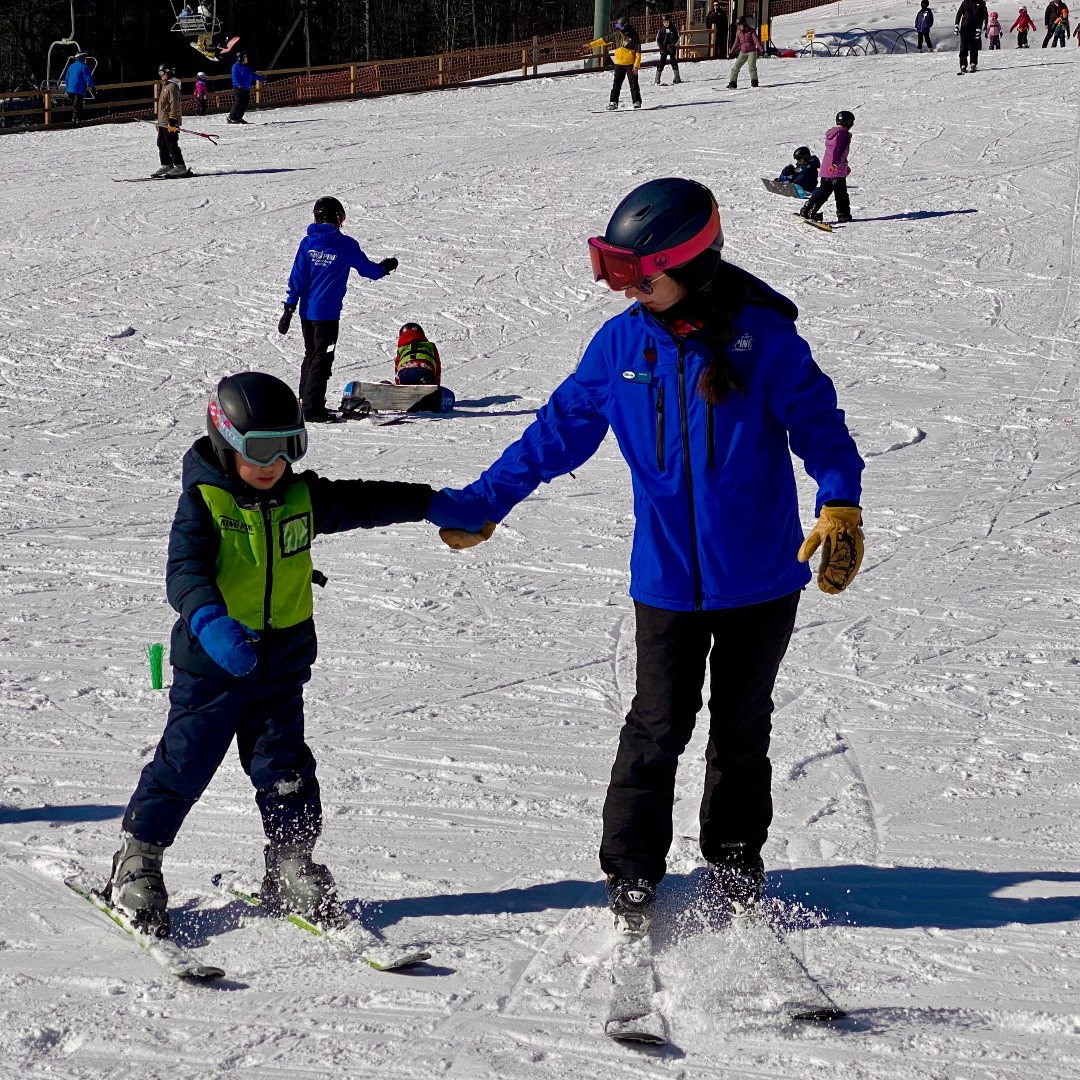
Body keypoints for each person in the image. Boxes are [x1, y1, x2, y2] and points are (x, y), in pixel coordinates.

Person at [430, 177, 863, 933]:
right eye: (616, 273)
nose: (624, 290)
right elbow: (555, 434)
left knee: (741, 725)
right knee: (658, 724)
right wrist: (486, 502)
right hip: (665, 580)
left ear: (691, 264)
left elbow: (819, 426)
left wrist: (840, 499)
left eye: (638, 275)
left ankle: (733, 860)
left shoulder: (763, 338)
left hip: (761, 579)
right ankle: (632, 870)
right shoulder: (621, 345)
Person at [102, 371, 483, 937]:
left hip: (280, 665)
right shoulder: (204, 503)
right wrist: (208, 620)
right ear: (225, 441)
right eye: (260, 450)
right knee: (184, 763)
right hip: (213, 667)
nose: (274, 464)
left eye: (289, 448)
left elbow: (364, 499)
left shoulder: (301, 496)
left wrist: (430, 504)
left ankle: (289, 862)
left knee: (285, 768)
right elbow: (183, 572)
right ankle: (139, 858)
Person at [279, 196, 399, 423]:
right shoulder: (345, 245)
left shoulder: (308, 244)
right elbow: (369, 271)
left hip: (306, 314)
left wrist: (289, 309)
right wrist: (386, 267)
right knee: (322, 360)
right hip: (327, 317)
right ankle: (312, 410)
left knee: (311, 356)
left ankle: (306, 402)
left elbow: (298, 277)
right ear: (337, 218)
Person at [800, 111, 854, 224]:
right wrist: (835, 163)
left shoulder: (832, 134)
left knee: (823, 192)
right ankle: (843, 215)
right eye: (851, 122)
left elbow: (835, 150)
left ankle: (809, 210)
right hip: (836, 169)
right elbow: (838, 150)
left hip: (827, 167)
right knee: (841, 195)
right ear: (848, 122)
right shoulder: (843, 133)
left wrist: (844, 164)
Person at [588, 20, 643, 111]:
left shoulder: (634, 36)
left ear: (625, 25)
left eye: (619, 26)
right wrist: (590, 45)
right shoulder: (617, 35)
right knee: (616, 84)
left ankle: (636, 101)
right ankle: (613, 102)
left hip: (630, 64)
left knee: (633, 84)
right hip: (619, 63)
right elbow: (603, 40)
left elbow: (638, 52)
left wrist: (636, 65)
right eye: (616, 26)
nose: (617, 28)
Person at [152, 64, 190, 179]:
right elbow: (163, 106)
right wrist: (159, 122)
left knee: (171, 144)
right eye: (159, 73)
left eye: (162, 73)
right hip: (163, 121)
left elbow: (175, 105)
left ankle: (180, 166)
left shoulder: (173, 87)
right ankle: (167, 164)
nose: (160, 75)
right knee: (161, 144)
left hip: (170, 121)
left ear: (168, 72)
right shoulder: (165, 86)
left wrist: (173, 120)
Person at [227, 52, 264, 124]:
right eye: (245, 57)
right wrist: (238, 85)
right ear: (241, 59)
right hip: (238, 88)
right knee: (238, 102)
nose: (247, 59)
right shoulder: (235, 66)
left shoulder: (246, 67)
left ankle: (239, 117)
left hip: (246, 88)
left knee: (244, 103)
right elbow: (235, 77)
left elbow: (252, 75)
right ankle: (231, 118)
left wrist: (261, 78)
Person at [727, 17, 763, 89]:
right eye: (738, 25)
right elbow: (736, 43)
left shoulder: (751, 31)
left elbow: (756, 40)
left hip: (751, 52)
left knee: (751, 67)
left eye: (740, 25)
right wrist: (731, 52)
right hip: (743, 52)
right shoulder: (738, 32)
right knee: (735, 67)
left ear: (744, 24)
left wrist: (762, 50)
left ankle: (754, 81)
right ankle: (733, 83)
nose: (739, 27)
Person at [955, 0, 989, 71]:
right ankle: (963, 64)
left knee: (973, 47)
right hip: (965, 28)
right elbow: (959, 13)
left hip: (975, 29)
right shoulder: (966, 2)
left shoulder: (982, 4)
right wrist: (956, 24)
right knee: (963, 46)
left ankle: (973, 63)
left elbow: (985, 16)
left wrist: (982, 28)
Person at [64, 51, 95, 125]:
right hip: (79, 89)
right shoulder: (83, 66)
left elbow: (66, 78)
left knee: (75, 105)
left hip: (70, 90)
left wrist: (68, 87)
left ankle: (75, 120)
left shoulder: (71, 66)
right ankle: (75, 121)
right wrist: (92, 87)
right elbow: (88, 78)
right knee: (78, 106)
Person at [656, 15, 682, 84]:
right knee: (662, 62)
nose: (666, 23)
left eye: (667, 22)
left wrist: (673, 45)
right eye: (664, 22)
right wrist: (661, 46)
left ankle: (677, 77)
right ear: (663, 22)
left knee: (673, 61)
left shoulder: (673, 29)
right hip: (664, 48)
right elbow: (658, 40)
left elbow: (677, 38)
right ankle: (657, 78)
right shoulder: (661, 30)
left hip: (671, 47)